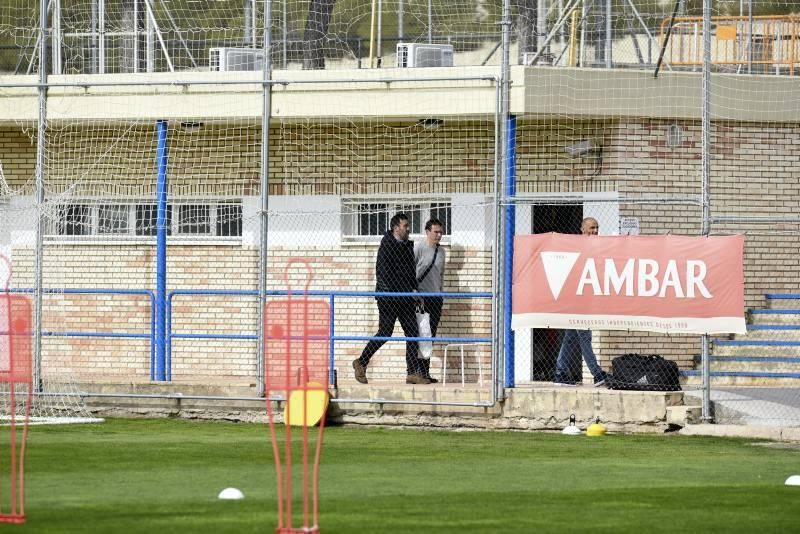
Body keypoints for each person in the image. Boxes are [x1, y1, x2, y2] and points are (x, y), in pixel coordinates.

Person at [353, 213, 431, 385]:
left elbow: (410, 273)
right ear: (396, 228)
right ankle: (361, 361)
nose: (408, 229)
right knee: (385, 332)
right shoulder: (387, 246)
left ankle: (411, 373)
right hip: (388, 297)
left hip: (404, 297)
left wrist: (415, 291)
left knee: (412, 333)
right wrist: (405, 291)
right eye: (405, 226)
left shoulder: (406, 246)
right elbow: (385, 275)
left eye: (408, 225)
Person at [553, 217, 608, 387]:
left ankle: (560, 373)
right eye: (592, 228)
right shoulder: (576, 247)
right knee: (585, 336)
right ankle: (597, 374)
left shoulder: (596, 248)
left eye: (597, 227)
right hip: (576, 299)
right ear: (583, 229)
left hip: (584, 298)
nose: (595, 231)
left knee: (570, 338)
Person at [414, 218, 447, 383]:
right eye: (436, 232)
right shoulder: (419, 247)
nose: (439, 235)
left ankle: (425, 372)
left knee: (431, 335)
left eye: (441, 232)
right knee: (422, 333)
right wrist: (414, 293)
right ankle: (418, 371)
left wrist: (441, 293)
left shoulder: (441, 252)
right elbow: (410, 271)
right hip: (421, 298)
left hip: (436, 298)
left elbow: (441, 275)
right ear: (427, 232)